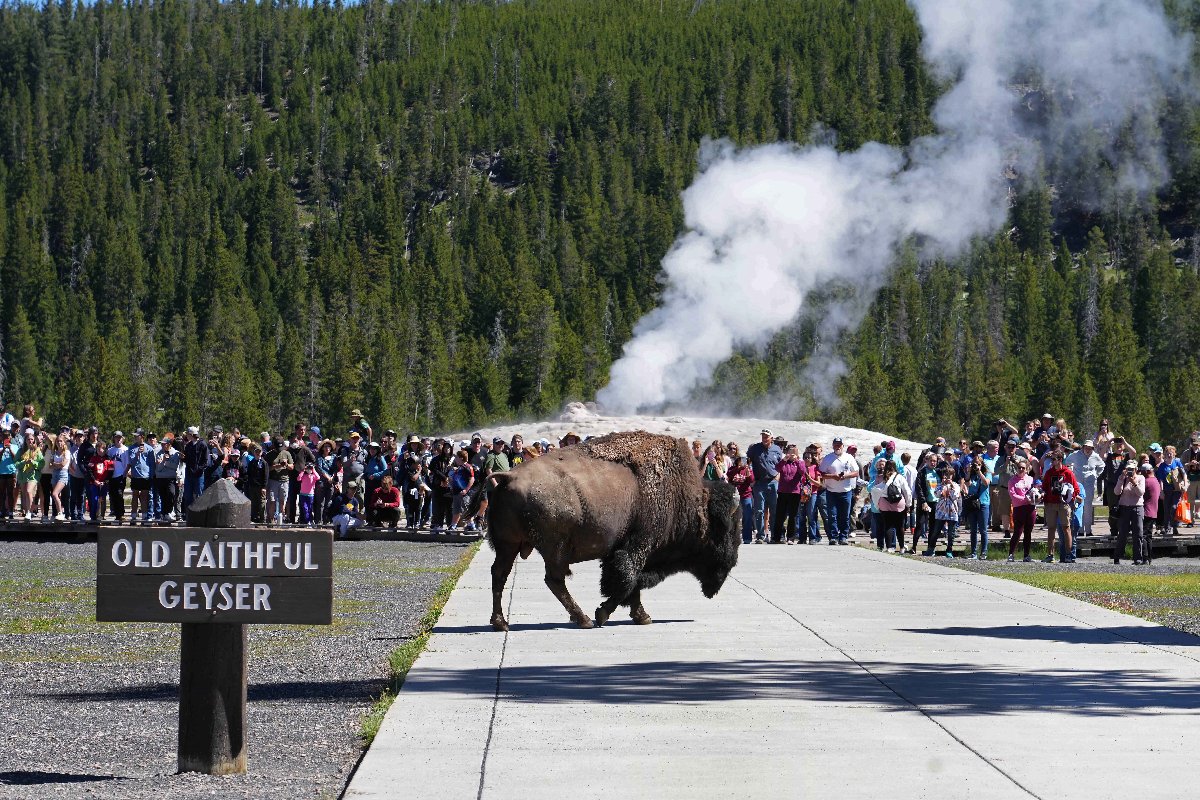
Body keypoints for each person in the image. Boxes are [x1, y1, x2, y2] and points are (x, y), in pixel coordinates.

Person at [1041, 449, 1081, 563]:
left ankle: (1069, 555)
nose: (1052, 461)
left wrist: (1068, 495)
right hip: (1050, 504)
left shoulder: (1068, 472)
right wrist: (1043, 494)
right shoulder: (1049, 472)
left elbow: (1076, 489)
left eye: (1054, 459)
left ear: (1060, 460)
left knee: (1066, 528)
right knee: (1051, 529)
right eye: (1051, 459)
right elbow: (1044, 487)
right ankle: (1050, 555)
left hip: (1063, 505)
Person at [746, 430, 784, 544]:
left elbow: (781, 464)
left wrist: (779, 475)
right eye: (763, 436)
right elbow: (747, 461)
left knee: (775, 510)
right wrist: (749, 475)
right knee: (759, 510)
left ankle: (774, 535)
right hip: (759, 483)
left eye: (766, 436)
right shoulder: (755, 448)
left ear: (771, 437)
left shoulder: (777, 449)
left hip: (773, 482)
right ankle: (760, 536)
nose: (764, 438)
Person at [819, 436, 858, 545]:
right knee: (832, 515)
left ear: (842, 446)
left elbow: (856, 472)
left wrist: (845, 476)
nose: (837, 446)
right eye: (835, 444)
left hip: (846, 491)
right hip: (831, 491)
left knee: (845, 515)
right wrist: (832, 476)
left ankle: (843, 536)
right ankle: (833, 536)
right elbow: (821, 474)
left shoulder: (849, 457)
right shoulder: (828, 458)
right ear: (833, 446)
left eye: (839, 445)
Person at [1065, 440, 1104, 537]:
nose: (1088, 449)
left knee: (1088, 507)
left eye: (1090, 447)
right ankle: (1080, 530)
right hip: (1078, 484)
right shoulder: (1076, 454)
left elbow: (1102, 465)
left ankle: (1089, 530)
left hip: (1089, 484)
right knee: (1078, 506)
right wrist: (1071, 473)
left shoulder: (1095, 456)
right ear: (1083, 446)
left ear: (1092, 448)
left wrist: (1096, 475)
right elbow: (1066, 462)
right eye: (1086, 447)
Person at [871, 460, 911, 552]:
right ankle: (901, 547)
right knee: (900, 526)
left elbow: (876, 489)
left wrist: (877, 505)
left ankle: (889, 547)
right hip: (898, 503)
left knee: (888, 525)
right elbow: (907, 491)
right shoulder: (900, 477)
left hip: (885, 502)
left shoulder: (883, 477)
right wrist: (908, 504)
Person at [1113, 460, 1147, 564]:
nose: (1130, 471)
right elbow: (1116, 492)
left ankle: (1137, 558)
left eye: (1132, 469)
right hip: (1124, 508)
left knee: (1138, 533)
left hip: (1137, 507)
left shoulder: (1141, 478)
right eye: (1128, 469)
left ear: (1136, 469)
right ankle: (1117, 556)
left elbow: (1141, 493)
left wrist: (1134, 483)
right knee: (1122, 533)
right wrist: (1121, 479)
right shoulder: (1123, 479)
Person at [924, 466, 961, 557]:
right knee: (936, 531)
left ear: (953, 475)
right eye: (946, 475)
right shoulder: (940, 485)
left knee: (951, 533)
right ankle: (931, 549)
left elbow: (955, 495)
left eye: (949, 475)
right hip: (941, 510)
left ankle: (949, 550)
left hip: (952, 511)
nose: (947, 477)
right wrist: (943, 486)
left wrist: (951, 486)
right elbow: (936, 494)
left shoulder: (956, 485)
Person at [773, 445, 805, 544]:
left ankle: (791, 537)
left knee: (793, 516)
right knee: (780, 515)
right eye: (790, 452)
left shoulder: (799, 462)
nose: (791, 454)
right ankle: (777, 537)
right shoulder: (784, 462)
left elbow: (803, 472)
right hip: (783, 492)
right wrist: (784, 460)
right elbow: (777, 468)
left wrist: (797, 461)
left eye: (794, 452)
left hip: (794, 492)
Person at [1007, 460, 1036, 562]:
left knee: (1028, 532)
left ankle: (1026, 555)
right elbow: (1013, 495)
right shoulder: (1012, 481)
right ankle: (1011, 554)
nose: (1021, 469)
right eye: (1019, 467)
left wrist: (1037, 496)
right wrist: (1024, 499)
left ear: (1027, 468)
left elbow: (1035, 490)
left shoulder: (1031, 479)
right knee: (1017, 532)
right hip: (1019, 508)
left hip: (1030, 508)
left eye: (1023, 467)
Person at [962, 457, 991, 559]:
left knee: (983, 530)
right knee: (973, 530)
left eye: (978, 464)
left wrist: (979, 472)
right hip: (972, 504)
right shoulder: (972, 475)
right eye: (974, 464)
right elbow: (967, 484)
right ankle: (973, 552)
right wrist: (969, 472)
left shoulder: (986, 473)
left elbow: (986, 483)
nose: (976, 466)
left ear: (982, 464)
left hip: (983, 503)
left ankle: (984, 552)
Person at [1156, 444, 1187, 537]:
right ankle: (1167, 528)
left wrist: (1185, 485)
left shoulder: (1177, 462)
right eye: (1168, 453)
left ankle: (1175, 526)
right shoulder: (1162, 466)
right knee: (1167, 509)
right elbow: (1161, 480)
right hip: (1166, 490)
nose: (1169, 455)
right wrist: (1161, 492)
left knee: (1174, 507)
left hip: (1177, 490)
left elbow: (1184, 474)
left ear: (1174, 454)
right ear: (1164, 454)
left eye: (1171, 453)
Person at [726, 455, 755, 544]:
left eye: (745, 460)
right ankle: (732, 537)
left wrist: (747, 471)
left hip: (746, 495)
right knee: (733, 517)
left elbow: (751, 480)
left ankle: (747, 537)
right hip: (734, 496)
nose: (742, 461)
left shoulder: (748, 469)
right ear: (737, 460)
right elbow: (729, 475)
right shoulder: (733, 469)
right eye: (741, 460)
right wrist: (738, 469)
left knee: (747, 517)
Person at [266, 436, 293, 525]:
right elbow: (266, 469)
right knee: (272, 501)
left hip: (284, 480)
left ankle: (280, 519)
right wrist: (275, 466)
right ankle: (271, 519)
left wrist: (286, 465)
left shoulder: (287, 453)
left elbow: (292, 467)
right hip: (273, 480)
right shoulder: (269, 455)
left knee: (282, 501)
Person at [428, 441, 455, 532]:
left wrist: (448, 479)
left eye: (449, 447)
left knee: (450, 508)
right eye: (445, 447)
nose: (447, 449)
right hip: (438, 486)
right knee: (439, 507)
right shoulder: (436, 459)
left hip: (450, 487)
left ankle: (450, 526)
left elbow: (458, 470)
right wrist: (443, 478)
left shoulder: (454, 459)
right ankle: (438, 525)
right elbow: (433, 469)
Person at [16, 436, 43, 519]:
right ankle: (28, 511)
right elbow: (16, 463)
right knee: (25, 494)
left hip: (33, 475)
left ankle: (29, 512)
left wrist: (33, 462)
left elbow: (41, 464)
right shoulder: (21, 450)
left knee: (28, 491)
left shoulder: (37, 450)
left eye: (32, 439)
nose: (30, 441)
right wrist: (23, 462)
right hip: (23, 475)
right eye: (28, 439)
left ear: (34, 440)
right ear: (25, 440)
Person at [154, 438, 181, 522]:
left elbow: (175, 466)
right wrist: (163, 462)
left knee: (171, 494)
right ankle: (164, 514)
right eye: (161, 444)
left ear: (169, 444)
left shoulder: (175, 453)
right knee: (163, 496)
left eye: (164, 444)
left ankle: (169, 512)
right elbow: (158, 469)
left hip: (171, 478)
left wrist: (165, 463)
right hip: (160, 478)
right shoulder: (159, 453)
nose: (162, 445)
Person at [449, 449, 475, 530]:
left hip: (464, 492)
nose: (455, 459)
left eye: (457, 457)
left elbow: (472, 479)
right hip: (456, 491)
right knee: (456, 509)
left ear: (461, 458)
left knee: (465, 508)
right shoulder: (459, 468)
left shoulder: (467, 467)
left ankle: (471, 524)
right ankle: (453, 525)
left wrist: (466, 489)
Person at [107, 431, 130, 523]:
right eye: (116, 437)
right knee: (113, 495)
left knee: (119, 494)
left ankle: (121, 513)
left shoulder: (125, 450)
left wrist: (125, 473)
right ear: (114, 438)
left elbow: (128, 463)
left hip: (121, 475)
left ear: (122, 438)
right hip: (112, 475)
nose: (118, 439)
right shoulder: (110, 450)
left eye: (120, 437)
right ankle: (116, 514)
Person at [1140, 460, 1160, 562]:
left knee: (1143, 535)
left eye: (1142, 471)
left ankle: (1145, 557)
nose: (1140, 473)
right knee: (1149, 536)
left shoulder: (1146, 482)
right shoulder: (1156, 480)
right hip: (1153, 512)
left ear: (1147, 471)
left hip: (1146, 511)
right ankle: (1150, 558)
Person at [48, 435, 70, 521]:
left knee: (54, 494)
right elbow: (50, 465)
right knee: (57, 496)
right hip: (55, 474)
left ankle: (61, 513)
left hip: (63, 474)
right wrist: (56, 465)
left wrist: (55, 464)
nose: (59, 443)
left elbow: (63, 464)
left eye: (61, 441)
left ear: (64, 442)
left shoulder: (67, 452)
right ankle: (58, 513)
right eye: (57, 441)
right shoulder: (54, 452)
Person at [0, 431, 18, 519]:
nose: (6, 438)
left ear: (10, 437)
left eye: (7, 436)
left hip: (11, 472)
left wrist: (10, 449)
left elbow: (16, 459)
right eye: (4, 436)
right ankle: (2, 511)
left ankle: (11, 512)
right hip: (1, 472)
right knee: (1, 493)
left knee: (10, 493)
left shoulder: (15, 446)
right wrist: (3, 449)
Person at [297, 462, 321, 526]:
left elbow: (318, 477)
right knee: (305, 508)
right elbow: (298, 478)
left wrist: (313, 469)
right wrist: (303, 470)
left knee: (310, 509)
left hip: (310, 495)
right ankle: (307, 521)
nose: (309, 469)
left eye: (310, 468)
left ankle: (310, 521)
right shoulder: (303, 475)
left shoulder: (313, 476)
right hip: (303, 495)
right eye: (308, 468)